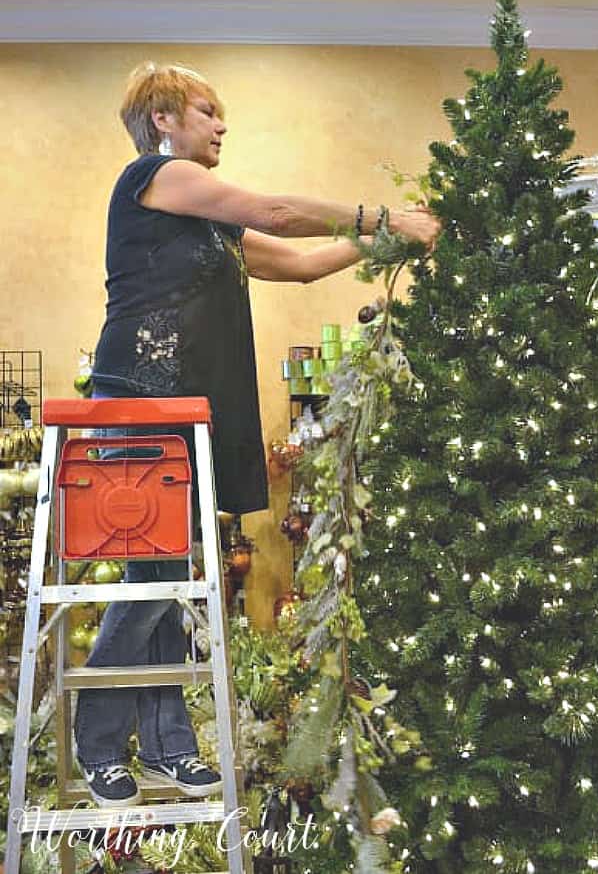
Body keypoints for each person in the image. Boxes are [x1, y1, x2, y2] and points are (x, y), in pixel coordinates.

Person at [74, 62, 441, 808]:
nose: (221, 126)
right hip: (141, 401)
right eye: (207, 112)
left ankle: (171, 745)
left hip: (188, 412)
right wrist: (382, 218)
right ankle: (100, 742)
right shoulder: (156, 174)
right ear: (165, 119)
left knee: (169, 575)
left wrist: (388, 247)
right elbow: (276, 211)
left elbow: (302, 264)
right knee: (156, 575)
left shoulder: (206, 226)